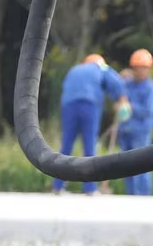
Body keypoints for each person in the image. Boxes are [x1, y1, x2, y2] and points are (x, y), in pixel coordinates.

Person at [53, 54, 130, 195]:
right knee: (89, 145)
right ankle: (90, 188)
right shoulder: (100, 67)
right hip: (89, 105)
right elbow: (116, 82)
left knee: (66, 145)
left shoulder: (75, 69)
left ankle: (58, 186)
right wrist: (122, 99)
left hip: (68, 106)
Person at [117, 49, 153, 195]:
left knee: (141, 166)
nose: (140, 71)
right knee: (127, 167)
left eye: (143, 68)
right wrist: (120, 77)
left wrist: (130, 106)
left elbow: (148, 111)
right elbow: (119, 94)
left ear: (148, 69)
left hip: (140, 132)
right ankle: (131, 197)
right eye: (136, 68)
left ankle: (143, 198)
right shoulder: (127, 84)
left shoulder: (150, 88)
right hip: (125, 131)